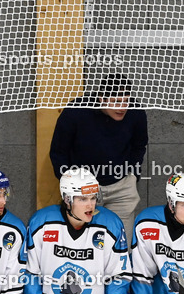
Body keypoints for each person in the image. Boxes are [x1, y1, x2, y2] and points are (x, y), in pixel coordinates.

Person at [22, 168, 134, 294]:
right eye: (83, 199)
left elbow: (117, 274)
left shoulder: (111, 223)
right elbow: (31, 271)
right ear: (67, 199)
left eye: (93, 198)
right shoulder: (41, 222)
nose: (90, 205)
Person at [49, 73, 147, 238]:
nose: (122, 107)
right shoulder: (76, 111)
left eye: (126, 101)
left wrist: (132, 175)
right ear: (101, 99)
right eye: (116, 102)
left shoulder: (135, 112)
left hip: (121, 188)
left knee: (122, 242)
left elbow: (139, 145)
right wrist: (69, 182)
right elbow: (59, 151)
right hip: (82, 189)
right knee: (82, 241)